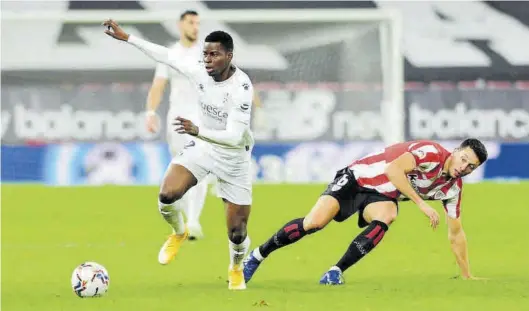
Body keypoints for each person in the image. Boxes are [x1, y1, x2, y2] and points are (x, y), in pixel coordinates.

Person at [104, 19, 255, 290]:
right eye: (205, 54)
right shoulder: (199, 71)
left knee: (237, 232)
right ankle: (179, 232)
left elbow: (233, 137)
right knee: (167, 194)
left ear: (229, 56)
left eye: (214, 54)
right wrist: (128, 38)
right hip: (204, 147)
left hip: (233, 157)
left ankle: (235, 267)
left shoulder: (241, 88)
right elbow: (166, 55)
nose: (207, 60)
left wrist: (197, 130)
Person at [243, 139, 488, 285]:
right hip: (358, 177)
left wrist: (467, 275)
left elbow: (456, 232)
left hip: (382, 195)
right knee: (313, 223)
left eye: (471, 166)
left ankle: (334, 272)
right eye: (463, 159)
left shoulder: (452, 189)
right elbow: (394, 171)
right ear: (455, 151)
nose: (464, 167)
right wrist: (421, 204)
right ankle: (256, 256)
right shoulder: (431, 153)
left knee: (387, 217)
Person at [145, 10, 207, 240]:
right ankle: (181, 215)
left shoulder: (208, 53)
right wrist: (150, 112)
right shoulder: (170, 54)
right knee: (179, 170)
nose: (195, 27)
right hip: (176, 121)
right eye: (191, 22)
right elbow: (158, 86)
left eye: (198, 23)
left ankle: (193, 221)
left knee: (199, 168)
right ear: (181, 25)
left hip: (201, 121)